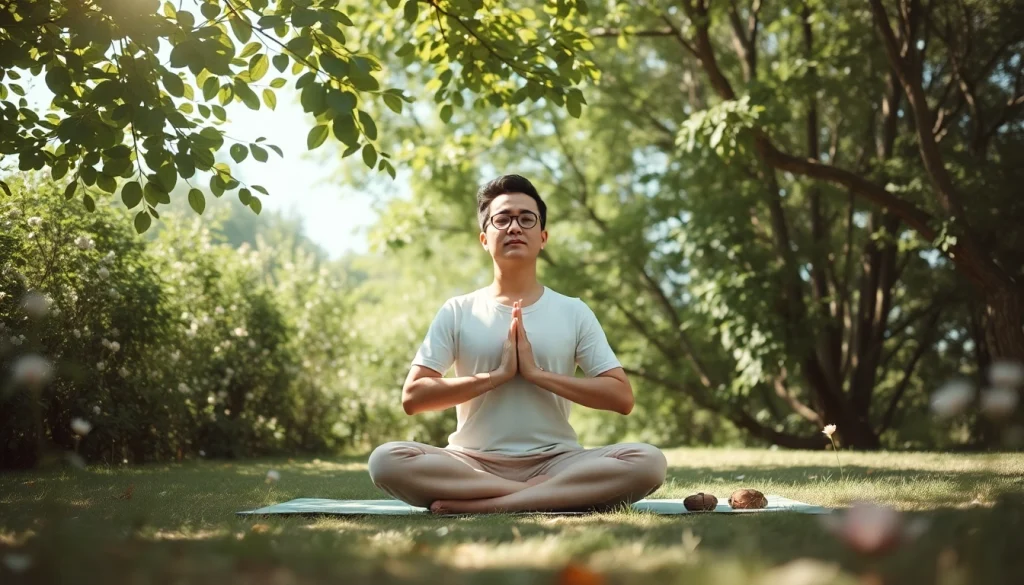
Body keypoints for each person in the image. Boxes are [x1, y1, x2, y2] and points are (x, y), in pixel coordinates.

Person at [367, 174, 667, 514]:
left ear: (542, 237)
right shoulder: (458, 310)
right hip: (470, 463)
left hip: (558, 462)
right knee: (386, 460)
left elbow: (622, 397)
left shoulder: (574, 311)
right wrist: (497, 375)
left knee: (648, 461)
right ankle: (536, 495)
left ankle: (486, 505)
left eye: (526, 219)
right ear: (484, 238)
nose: (514, 227)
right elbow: (413, 397)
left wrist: (537, 374)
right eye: (502, 219)